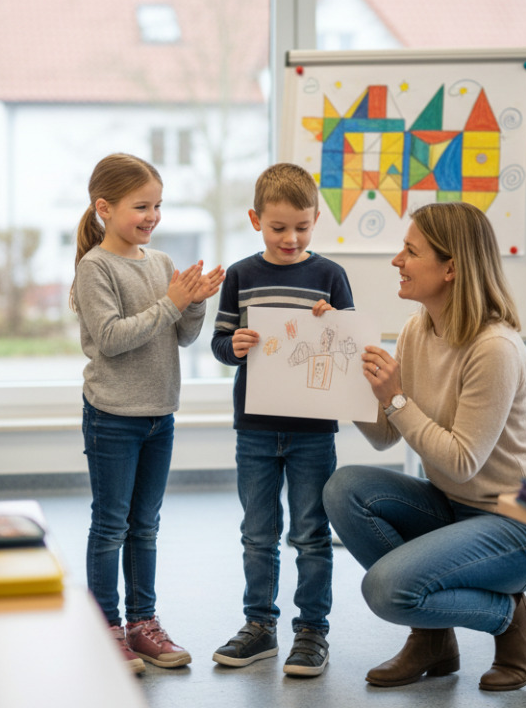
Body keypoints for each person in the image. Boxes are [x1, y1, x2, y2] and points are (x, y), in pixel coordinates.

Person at [322, 201, 526, 692]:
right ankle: (433, 641)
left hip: (522, 523)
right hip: (457, 506)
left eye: (410, 251)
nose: (397, 261)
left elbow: (461, 459)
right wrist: (349, 380)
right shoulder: (418, 328)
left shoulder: (494, 348)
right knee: (345, 488)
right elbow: (390, 434)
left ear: (450, 268)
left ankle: (515, 620)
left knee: (386, 589)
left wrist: (395, 397)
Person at [70, 152, 225, 674]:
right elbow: (112, 340)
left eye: (157, 205)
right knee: (110, 524)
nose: (152, 216)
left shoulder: (158, 263)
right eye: (141, 206)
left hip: (160, 413)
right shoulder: (95, 268)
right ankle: (105, 627)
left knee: (146, 526)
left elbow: (181, 335)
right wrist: (171, 303)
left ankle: (142, 624)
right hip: (113, 415)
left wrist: (195, 301)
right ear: (104, 208)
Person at [210, 163, 355, 678]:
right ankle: (259, 627)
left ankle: (312, 631)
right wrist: (236, 345)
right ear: (256, 220)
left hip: (313, 431)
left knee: (312, 532)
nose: (291, 238)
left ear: (317, 218)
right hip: (253, 427)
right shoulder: (242, 276)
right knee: (257, 531)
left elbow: (346, 348)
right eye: (278, 227)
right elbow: (220, 345)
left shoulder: (331, 276)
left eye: (302, 226)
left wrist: (330, 327)